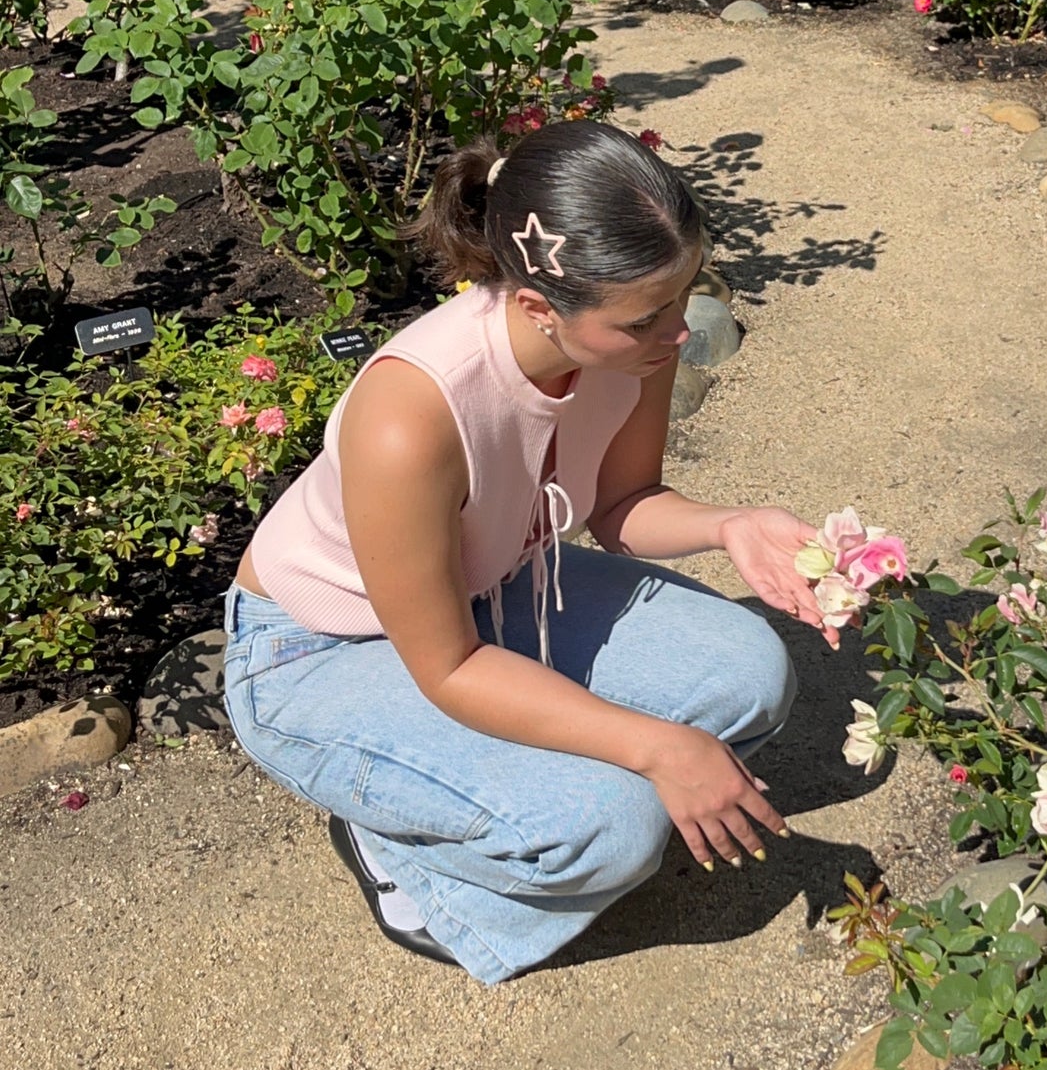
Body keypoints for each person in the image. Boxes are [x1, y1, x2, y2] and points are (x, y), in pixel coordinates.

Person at [222, 120, 843, 983]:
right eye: (646, 318)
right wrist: (656, 749)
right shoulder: (411, 414)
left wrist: (730, 523)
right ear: (536, 308)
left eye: (682, 296)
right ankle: (406, 850)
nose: (676, 332)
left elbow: (621, 503)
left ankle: (483, 778)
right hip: (318, 651)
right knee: (612, 823)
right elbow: (449, 666)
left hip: (493, 586)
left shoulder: (635, 335)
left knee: (747, 677)